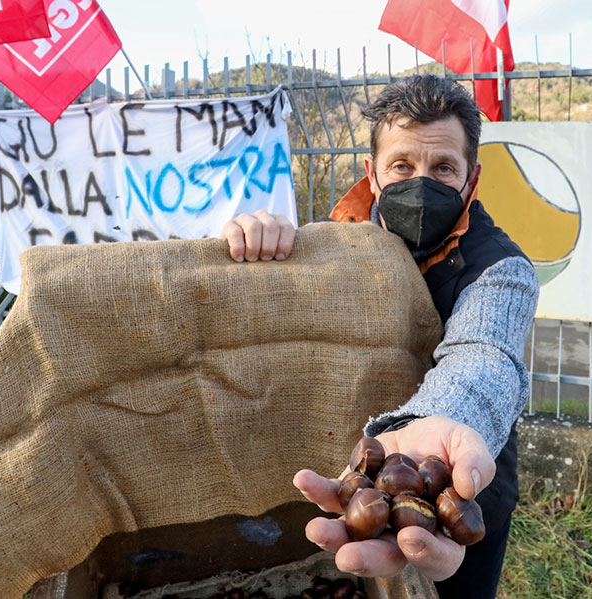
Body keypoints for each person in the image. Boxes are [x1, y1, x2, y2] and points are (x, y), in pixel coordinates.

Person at [220, 74, 539, 598]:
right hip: (349, 483)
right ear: (372, 173)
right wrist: (260, 248)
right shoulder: (329, 243)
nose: (421, 183)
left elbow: (484, 355)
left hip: (462, 494)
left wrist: (437, 426)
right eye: (402, 166)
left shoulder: (501, 268)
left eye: (443, 168)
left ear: (472, 179)